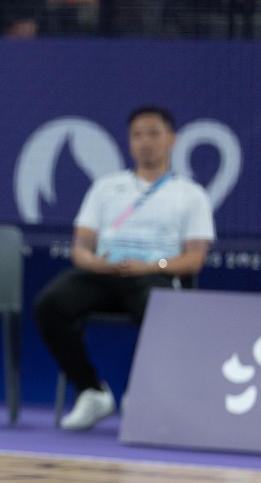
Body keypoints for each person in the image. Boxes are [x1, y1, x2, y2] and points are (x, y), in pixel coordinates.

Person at [34, 105, 215, 431]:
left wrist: (152, 265)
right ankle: (90, 391)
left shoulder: (191, 194)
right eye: (137, 135)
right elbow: (81, 249)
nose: (145, 141)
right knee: (51, 303)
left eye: (154, 133)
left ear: (172, 139)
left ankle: (145, 395)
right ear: (129, 142)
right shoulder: (106, 187)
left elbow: (194, 259)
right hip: (106, 274)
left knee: (159, 310)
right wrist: (96, 263)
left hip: (155, 275)